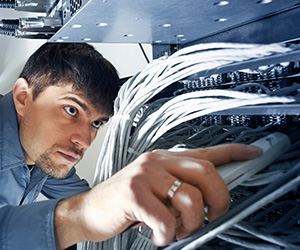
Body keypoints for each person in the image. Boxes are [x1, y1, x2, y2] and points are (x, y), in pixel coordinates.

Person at [0, 42, 262, 250]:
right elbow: (86, 207)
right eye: (71, 110)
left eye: (96, 124)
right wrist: (82, 215)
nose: (86, 140)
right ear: (23, 96)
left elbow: (87, 195)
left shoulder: (42, 152)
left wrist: (149, 201)